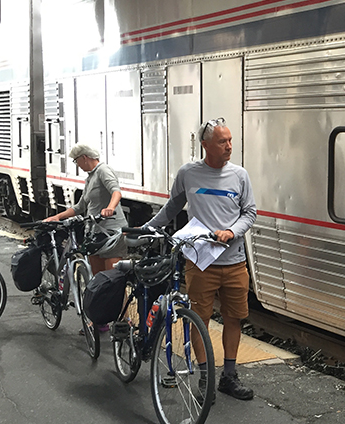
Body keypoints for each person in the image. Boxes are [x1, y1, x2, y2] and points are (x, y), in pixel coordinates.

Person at [144, 118, 257, 401]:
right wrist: (148, 229)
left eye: (230, 140)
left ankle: (229, 377)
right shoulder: (188, 173)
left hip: (234, 262)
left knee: (234, 318)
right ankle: (206, 378)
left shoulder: (240, 175)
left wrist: (232, 231)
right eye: (222, 141)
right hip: (200, 262)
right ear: (205, 145)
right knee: (199, 320)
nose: (229, 146)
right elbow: (172, 207)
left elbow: (250, 212)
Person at [46, 143, 127, 331]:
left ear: (84, 157)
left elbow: (116, 191)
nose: (77, 165)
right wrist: (57, 217)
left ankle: (122, 322)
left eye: (76, 161)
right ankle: (100, 321)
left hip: (112, 233)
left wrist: (110, 208)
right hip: (94, 234)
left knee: (114, 280)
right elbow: (80, 206)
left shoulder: (103, 171)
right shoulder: (90, 178)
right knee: (98, 280)